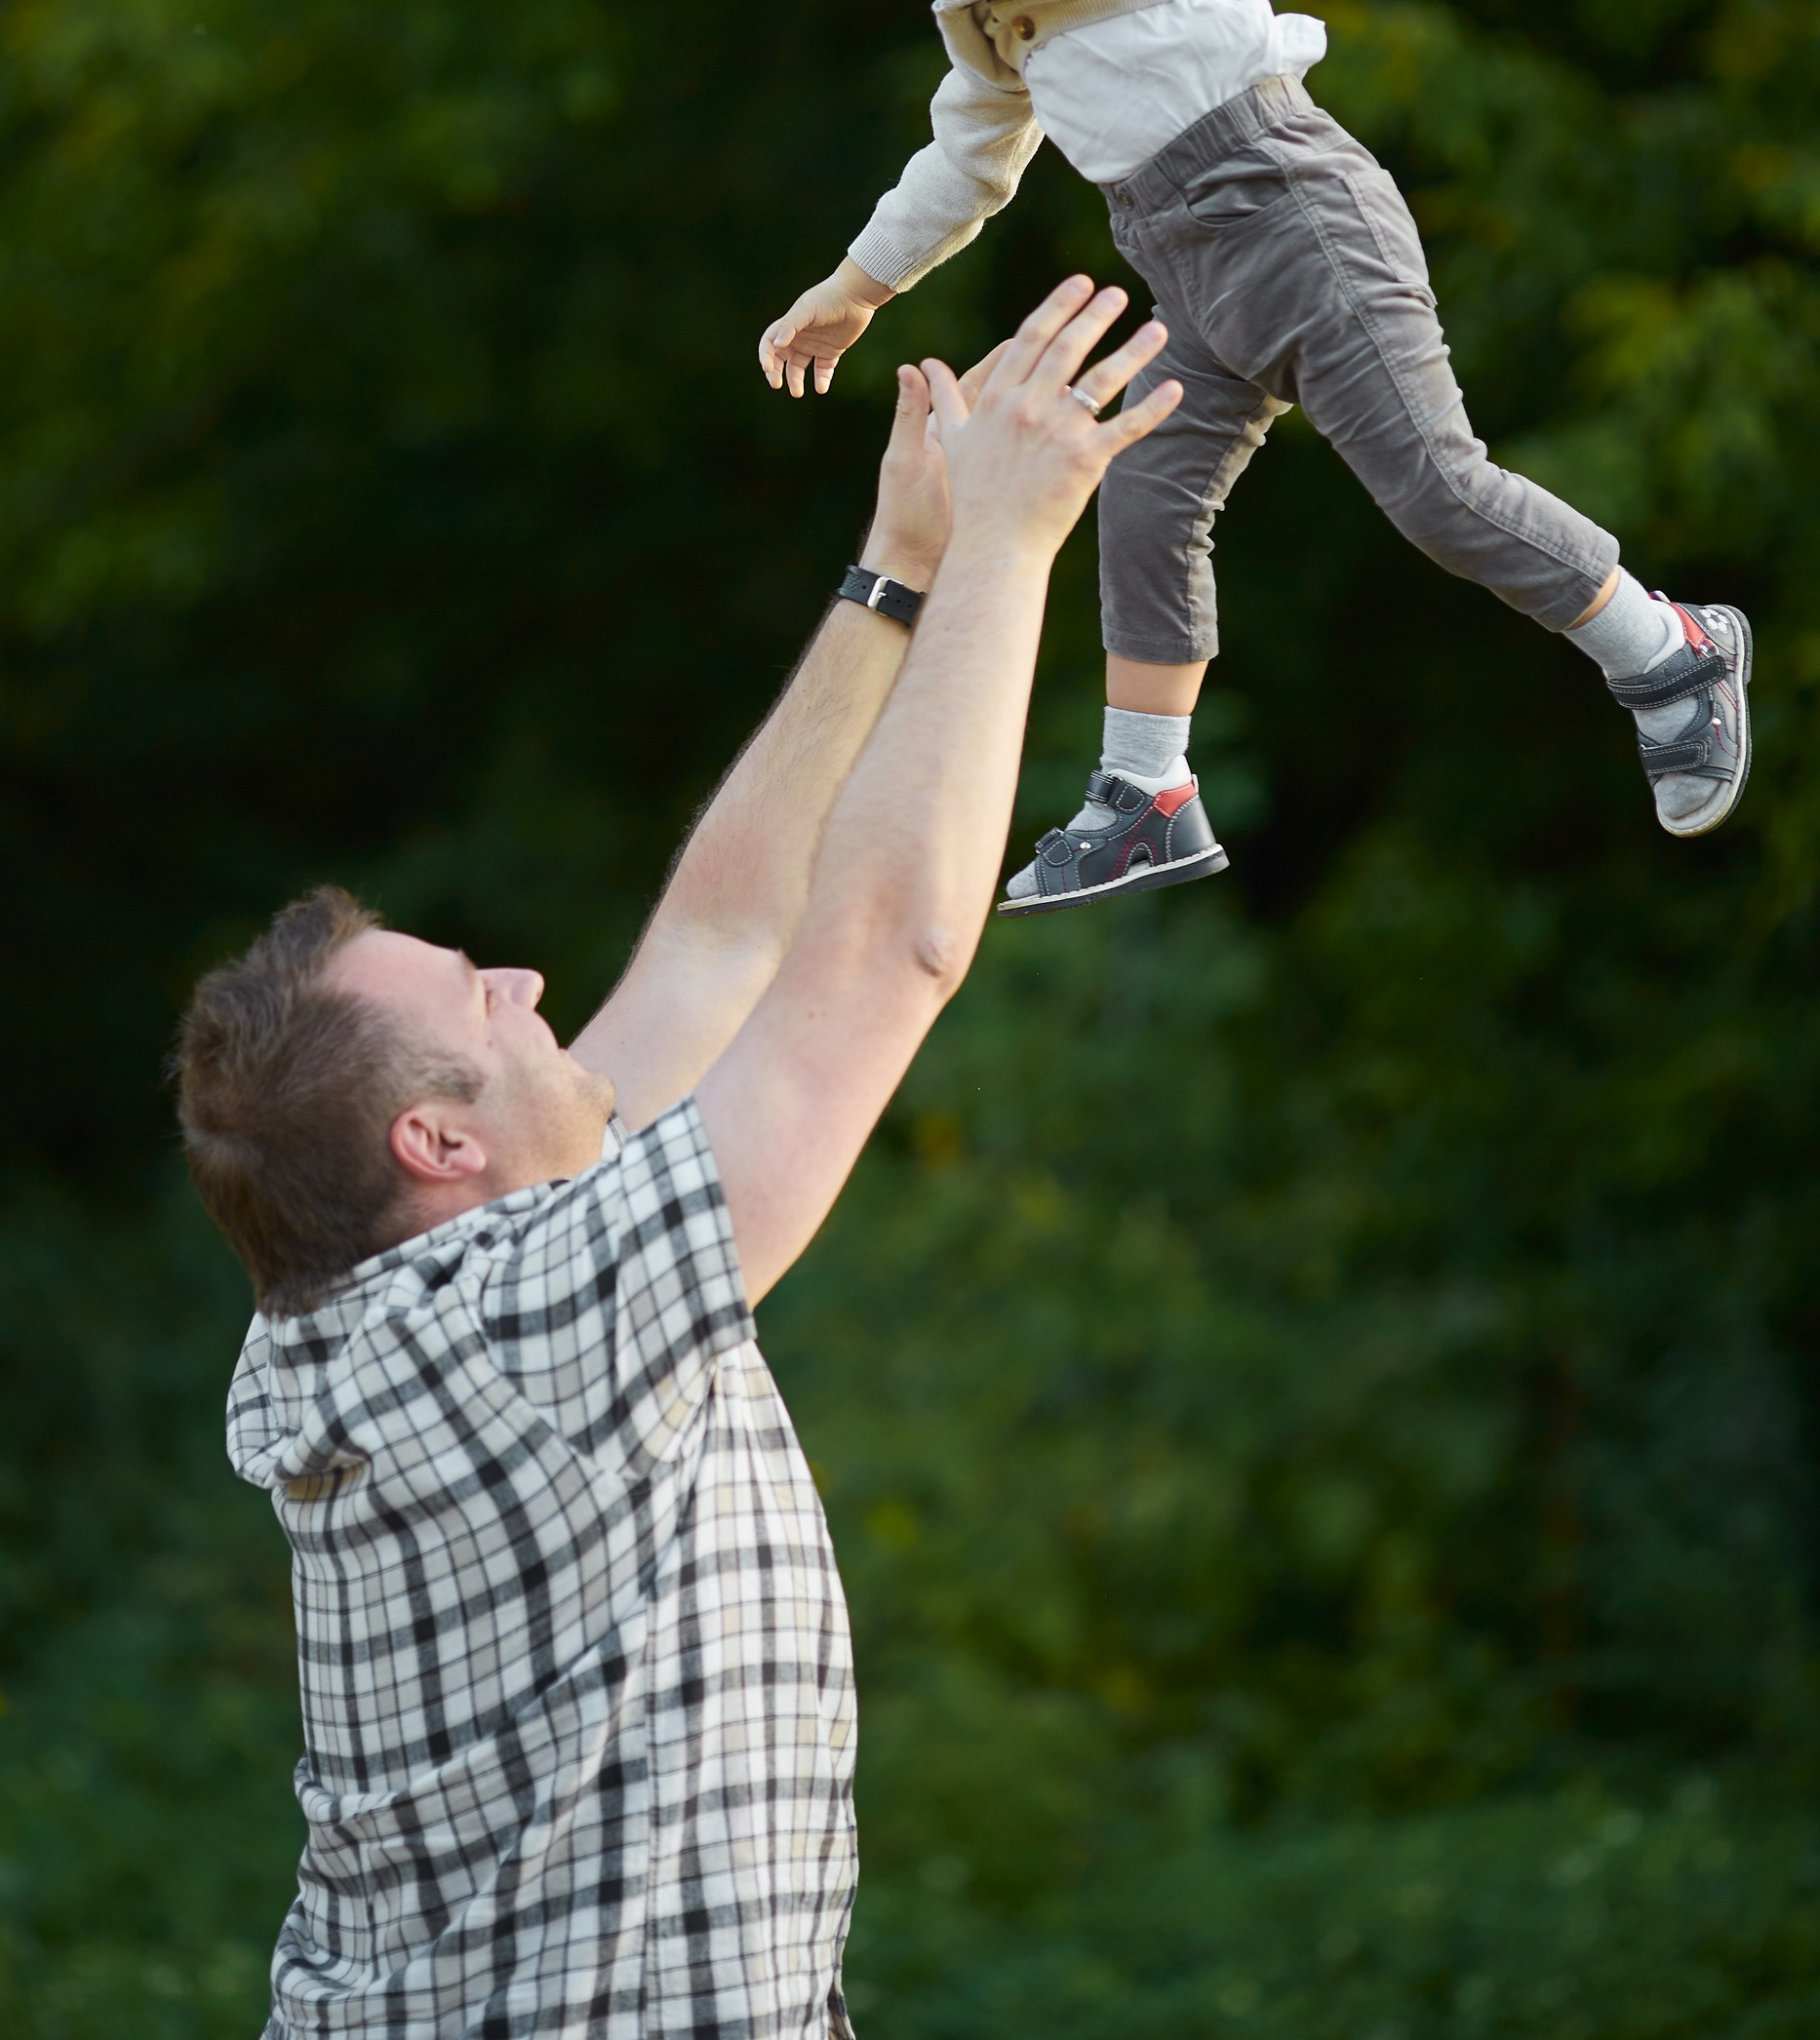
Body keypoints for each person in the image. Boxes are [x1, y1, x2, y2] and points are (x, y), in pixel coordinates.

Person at [172, 279, 1179, 2040]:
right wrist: (1018, 545)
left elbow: (723, 943)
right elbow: (887, 958)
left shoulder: (394, 1287)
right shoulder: (514, 1321)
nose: (538, 984)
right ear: (439, 1139)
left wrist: (898, 570)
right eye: (490, 999)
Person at [738, 0, 1754, 915]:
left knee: (1435, 485)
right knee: (1147, 500)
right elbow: (964, 168)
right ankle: (1145, 791)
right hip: (1191, 264)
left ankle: (1668, 652)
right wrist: (857, 285)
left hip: (1292, 212)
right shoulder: (982, 12)